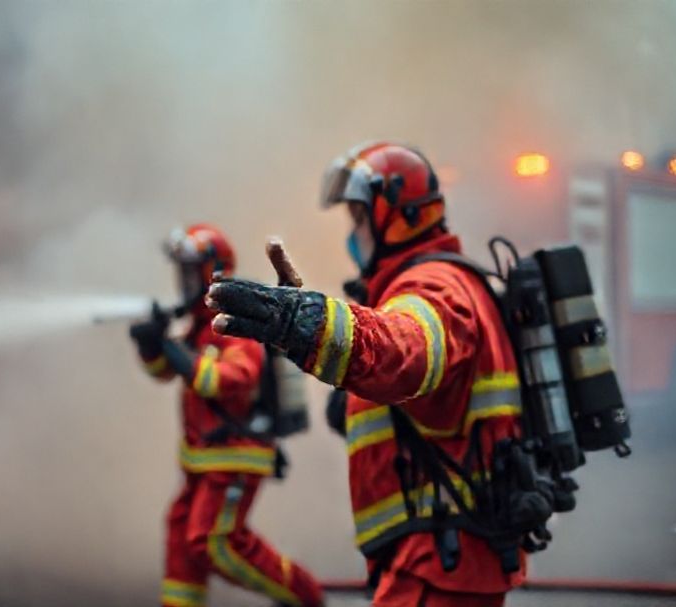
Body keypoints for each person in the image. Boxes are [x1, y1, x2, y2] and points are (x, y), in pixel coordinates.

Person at [207, 143, 525, 607]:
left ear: (400, 216)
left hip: (437, 567)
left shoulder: (435, 285)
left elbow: (408, 350)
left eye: (358, 217)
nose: (353, 234)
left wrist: (308, 324)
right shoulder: (420, 284)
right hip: (434, 559)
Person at [130, 224, 325, 607]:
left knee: (214, 540)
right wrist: (151, 347)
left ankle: (306, 597)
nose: (182, 281)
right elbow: (164, 374)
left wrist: (172, 351)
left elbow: (231, 379)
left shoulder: (232, 324)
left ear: (212, 273)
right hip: (200, 459)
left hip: (235, 455)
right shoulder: (198, 329)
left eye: (189, 271)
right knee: (181, 534)